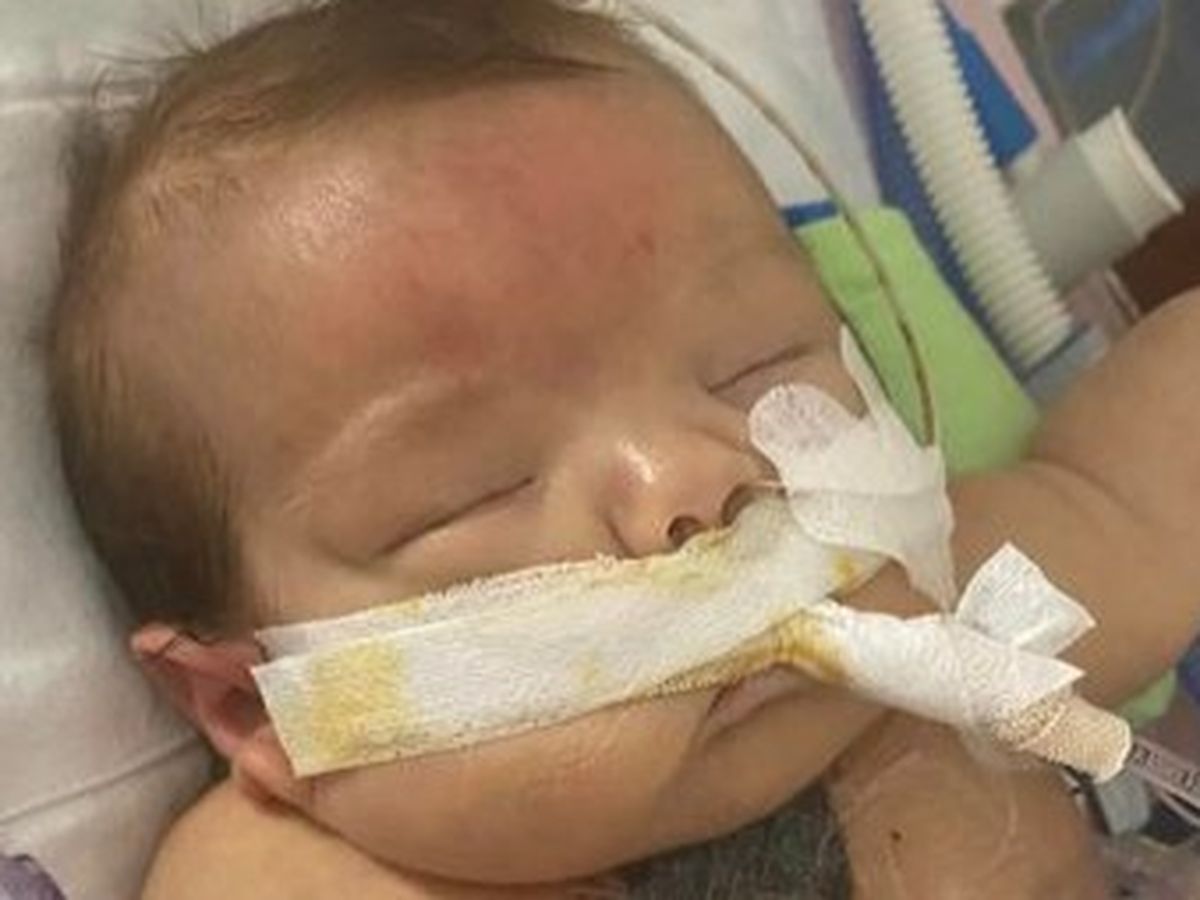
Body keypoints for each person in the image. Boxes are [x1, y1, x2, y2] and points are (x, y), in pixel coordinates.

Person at [47, 0, 1197, 895]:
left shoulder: (954, 602)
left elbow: (1138, 490)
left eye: (754, 364)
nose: (699, 477)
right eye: (479, 487)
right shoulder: (289, 877)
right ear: (261, 712)